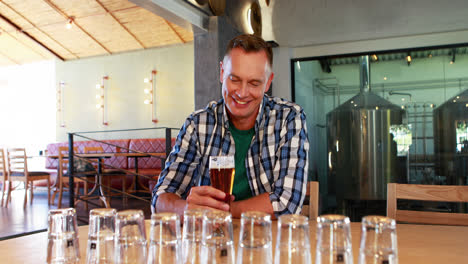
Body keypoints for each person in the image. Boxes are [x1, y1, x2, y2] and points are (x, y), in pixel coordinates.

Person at [152, 34, 309, 218]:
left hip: (267, 240)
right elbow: (160, 199)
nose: (242, 93)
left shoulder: (289, 118)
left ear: (268, 82)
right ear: (221, 73)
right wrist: (186, 209)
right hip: (210, 240)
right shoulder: (197, 125)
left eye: (254, 83)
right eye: (234, 79)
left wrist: (217, 213)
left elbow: (287, 203)